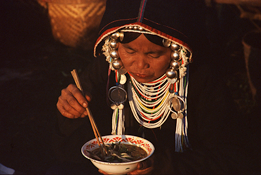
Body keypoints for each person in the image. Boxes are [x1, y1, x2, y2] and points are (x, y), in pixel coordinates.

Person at [51, 0, 257, 174]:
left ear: (177, 48)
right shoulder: (106, 72)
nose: (139, 65)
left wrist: (162, 167)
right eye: (129, 50)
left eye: (154, 54)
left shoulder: (200, 81)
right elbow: (76, 145)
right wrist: (71, 111)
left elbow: (233, 157)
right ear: (114, 44)